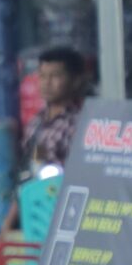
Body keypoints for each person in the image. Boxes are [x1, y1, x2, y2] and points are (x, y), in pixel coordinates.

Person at [22, 46, 89, 177]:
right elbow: (37, 157)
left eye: (55, 76)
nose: (46, 83)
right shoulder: (37, 121)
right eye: (42, 76)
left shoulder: (80, 122)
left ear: (75, 81)